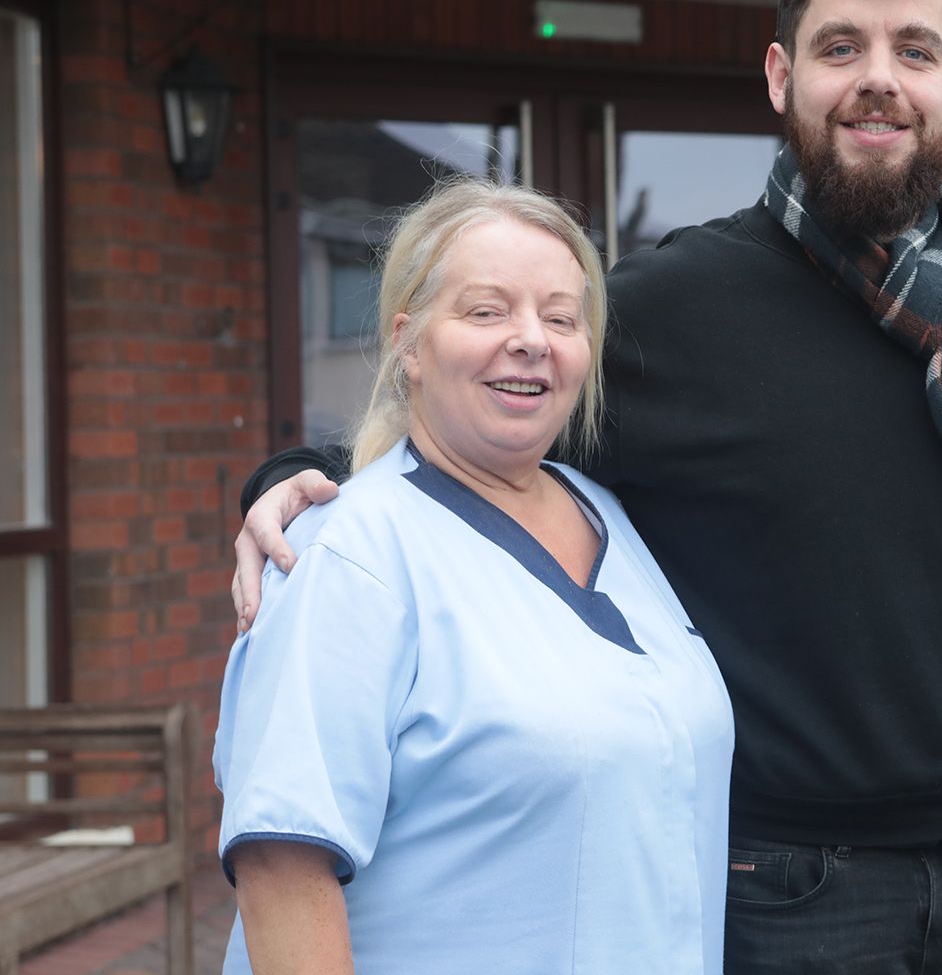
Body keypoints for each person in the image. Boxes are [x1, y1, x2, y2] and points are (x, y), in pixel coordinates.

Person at [231, 0, 942, 974]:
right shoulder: (671, 306)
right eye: (840, 48)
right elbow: (482, 413)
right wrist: (290, 477)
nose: (879, 82)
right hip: (788, 888)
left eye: (913, 51)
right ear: (782, 75)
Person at [214, 181, 733, 974]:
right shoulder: (346, 557)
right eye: (486, 311)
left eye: (560, 317)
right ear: (409, 345)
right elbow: (282, 871)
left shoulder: (609, 518)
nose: (531, 339)